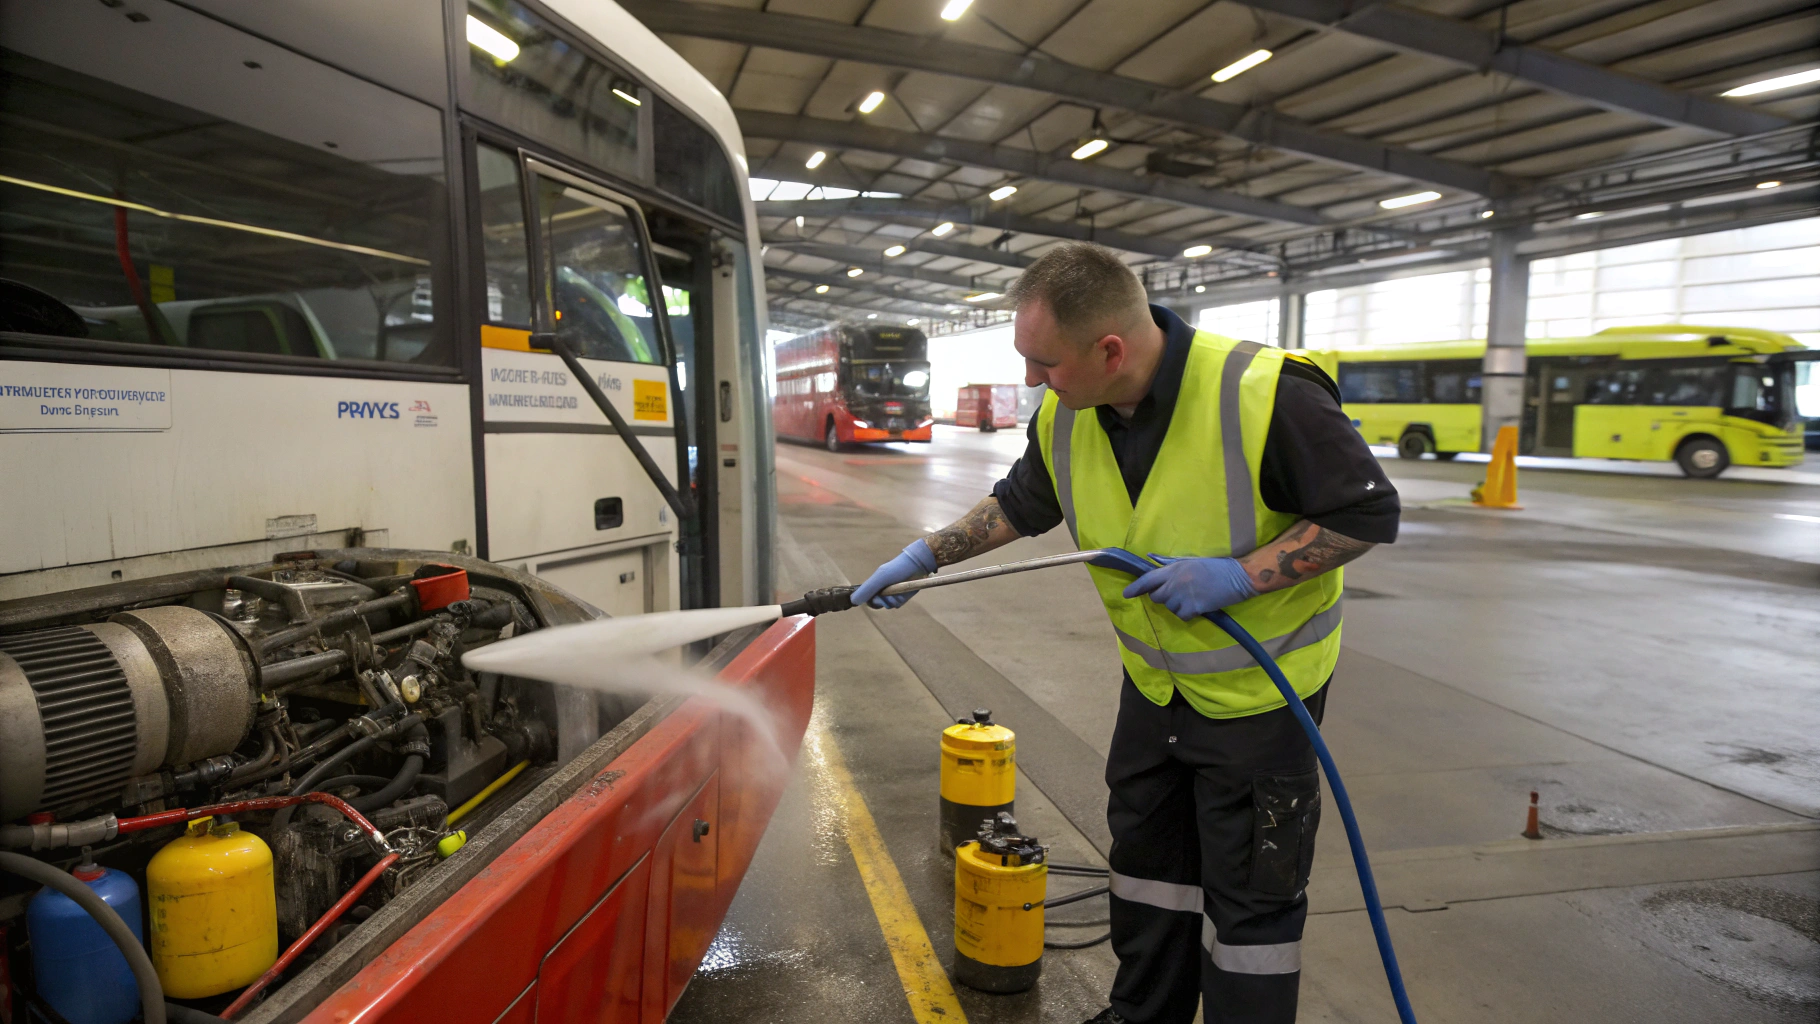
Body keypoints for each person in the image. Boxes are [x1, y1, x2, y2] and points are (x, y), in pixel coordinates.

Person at [851, 243, 1399, 1024]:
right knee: (1148, 873)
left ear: (1111, 349)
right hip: (1155, 690)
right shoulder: (1068, 417)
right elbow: (1018, 505)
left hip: (1261, 700)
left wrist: (1240, 574)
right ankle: (1146, 1016)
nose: (1034, 381)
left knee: (1249, 907)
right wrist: (924, 558)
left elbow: (1367, 514)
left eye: (1046, 364)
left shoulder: (1267, 393)